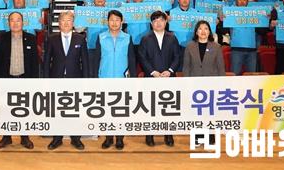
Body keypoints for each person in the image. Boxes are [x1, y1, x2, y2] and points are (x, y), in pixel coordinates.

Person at [43, 11, 88, 150]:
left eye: (69, 20)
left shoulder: (80, 39)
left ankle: (76, 138)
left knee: (75, 110)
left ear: (73, 23)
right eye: (63, 20)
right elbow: (46, 61)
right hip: (56, 79)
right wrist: (46, 81)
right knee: (57, 110)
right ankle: (57, 138)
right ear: (59, 23)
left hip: (75, 80)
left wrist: (86, 81)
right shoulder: (52, 39)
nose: (66, 23)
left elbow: (85, 62)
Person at [0, 12, 38, 149]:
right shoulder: (2, 38)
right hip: (7, 79)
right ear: (8, 23)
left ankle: (25, 137)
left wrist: (34, 82)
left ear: (23, 23)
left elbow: (35, 62)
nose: (15, 23)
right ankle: (6, 137)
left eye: (18, 20)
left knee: (24, 109)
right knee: (6, 109)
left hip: (25, 79)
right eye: (12, 20)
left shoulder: (31, 38)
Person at [94, 10, 137, 150]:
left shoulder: (128, 38)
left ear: (122, 22)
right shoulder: (101, 37)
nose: (114, 23)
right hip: (104, 79)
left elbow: (131, 60)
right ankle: (108, 138)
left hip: (122, 80)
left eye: (117, 20)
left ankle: (119, 138)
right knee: (106, 110)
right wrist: (95, 78)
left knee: (120, 110)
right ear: (107, 21)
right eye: (112, 20)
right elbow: (96, 59)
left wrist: (133, 79)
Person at [138, 11, 181, 147]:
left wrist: (170, 71)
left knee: (168, 107)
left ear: (166, 22)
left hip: (168, 78)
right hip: (151, 77)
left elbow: (177, 56)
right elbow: (142, 58)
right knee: (151, 107)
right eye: (155, 21)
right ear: (151, 24)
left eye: (161, 20)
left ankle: (168, 135)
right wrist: (152, 72)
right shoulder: (145, 38)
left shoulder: (172, 38)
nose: (158, 23)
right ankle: (149, 135)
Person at [183, 20, 225, 147]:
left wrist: (221, 85)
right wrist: (187, 84)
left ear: (209, 32)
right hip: (194, 84)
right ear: (196, 32)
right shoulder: (190, 46)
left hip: (211, 84)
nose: (203, 31)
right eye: (200, 29)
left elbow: (220, 68)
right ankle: (198, 136)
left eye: (206, 28)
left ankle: (210, 135)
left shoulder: (216, 47)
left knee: (210, 111)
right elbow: (186, 67)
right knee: (197, 111)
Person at [226, 0, 258, 75]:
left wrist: (266, 18)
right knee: (234, 76)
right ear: (236, 1)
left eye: (244, 0)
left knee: (251, 77)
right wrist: (222, 19)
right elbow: (223, 29)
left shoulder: (254, 13)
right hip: (236, 49)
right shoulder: (230, 12)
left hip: (252, 49)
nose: (242, 2)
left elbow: (262, 30)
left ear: (247, 1)